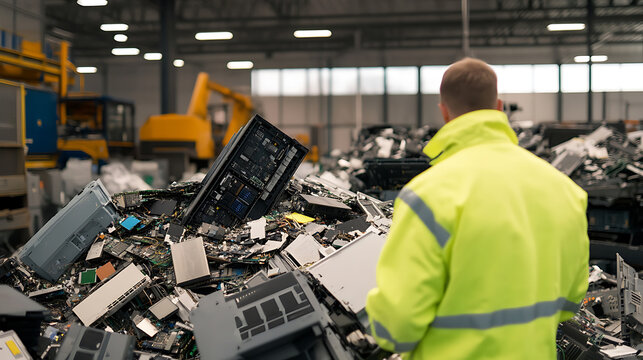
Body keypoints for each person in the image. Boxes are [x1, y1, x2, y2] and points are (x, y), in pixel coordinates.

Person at [365, 57, 589, 359]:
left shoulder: (427, 196)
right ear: (498, 106)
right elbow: (570, 301)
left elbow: (397, 328)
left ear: (444, 111)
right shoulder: (564, 190)